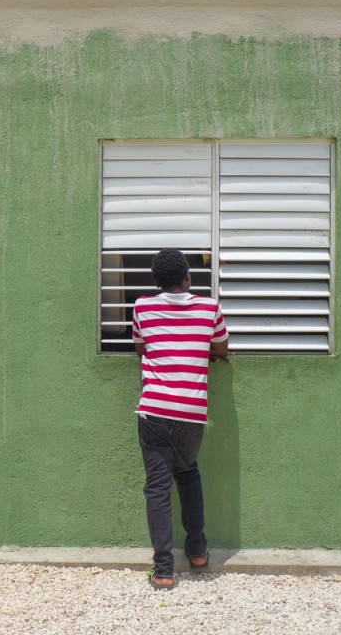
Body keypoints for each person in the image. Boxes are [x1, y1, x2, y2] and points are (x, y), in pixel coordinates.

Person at [132, 248, 230, 591]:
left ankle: (162, 570)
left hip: (154, 410)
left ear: (157, 282)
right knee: (188, 474)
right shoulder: (209, 308)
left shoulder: (142, 307)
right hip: (191, 412)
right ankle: (198, 550)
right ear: (188, 277)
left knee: (157, 487)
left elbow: (141, 347)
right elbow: (220, 347)